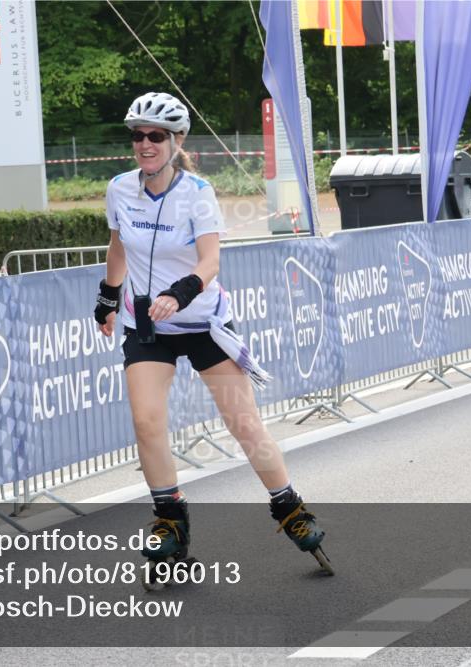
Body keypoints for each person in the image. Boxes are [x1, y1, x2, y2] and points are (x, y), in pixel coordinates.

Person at [93, 92, 330, 575]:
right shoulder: (119, 189)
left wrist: (180, 293)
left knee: (242, 422)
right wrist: (107, 296)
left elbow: (210, 261)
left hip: (201, 320)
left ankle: (289, 508)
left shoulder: (197, 193)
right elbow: (118, 247)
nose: (144, 144)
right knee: (146, 421)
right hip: (148, 324)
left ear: (176, 141)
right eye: (137, 135)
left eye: (155, 136)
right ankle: (169, 520)